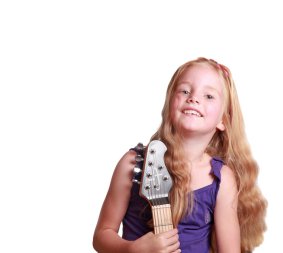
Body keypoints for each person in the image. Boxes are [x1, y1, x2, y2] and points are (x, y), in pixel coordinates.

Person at [93, 57, 267, 253]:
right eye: (185, 91)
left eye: (209, 96)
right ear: (169, 104)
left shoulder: (220, 179)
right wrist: (132, 249)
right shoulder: (133, 164)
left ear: (223, 120)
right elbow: (102, 235)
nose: (194, 98)